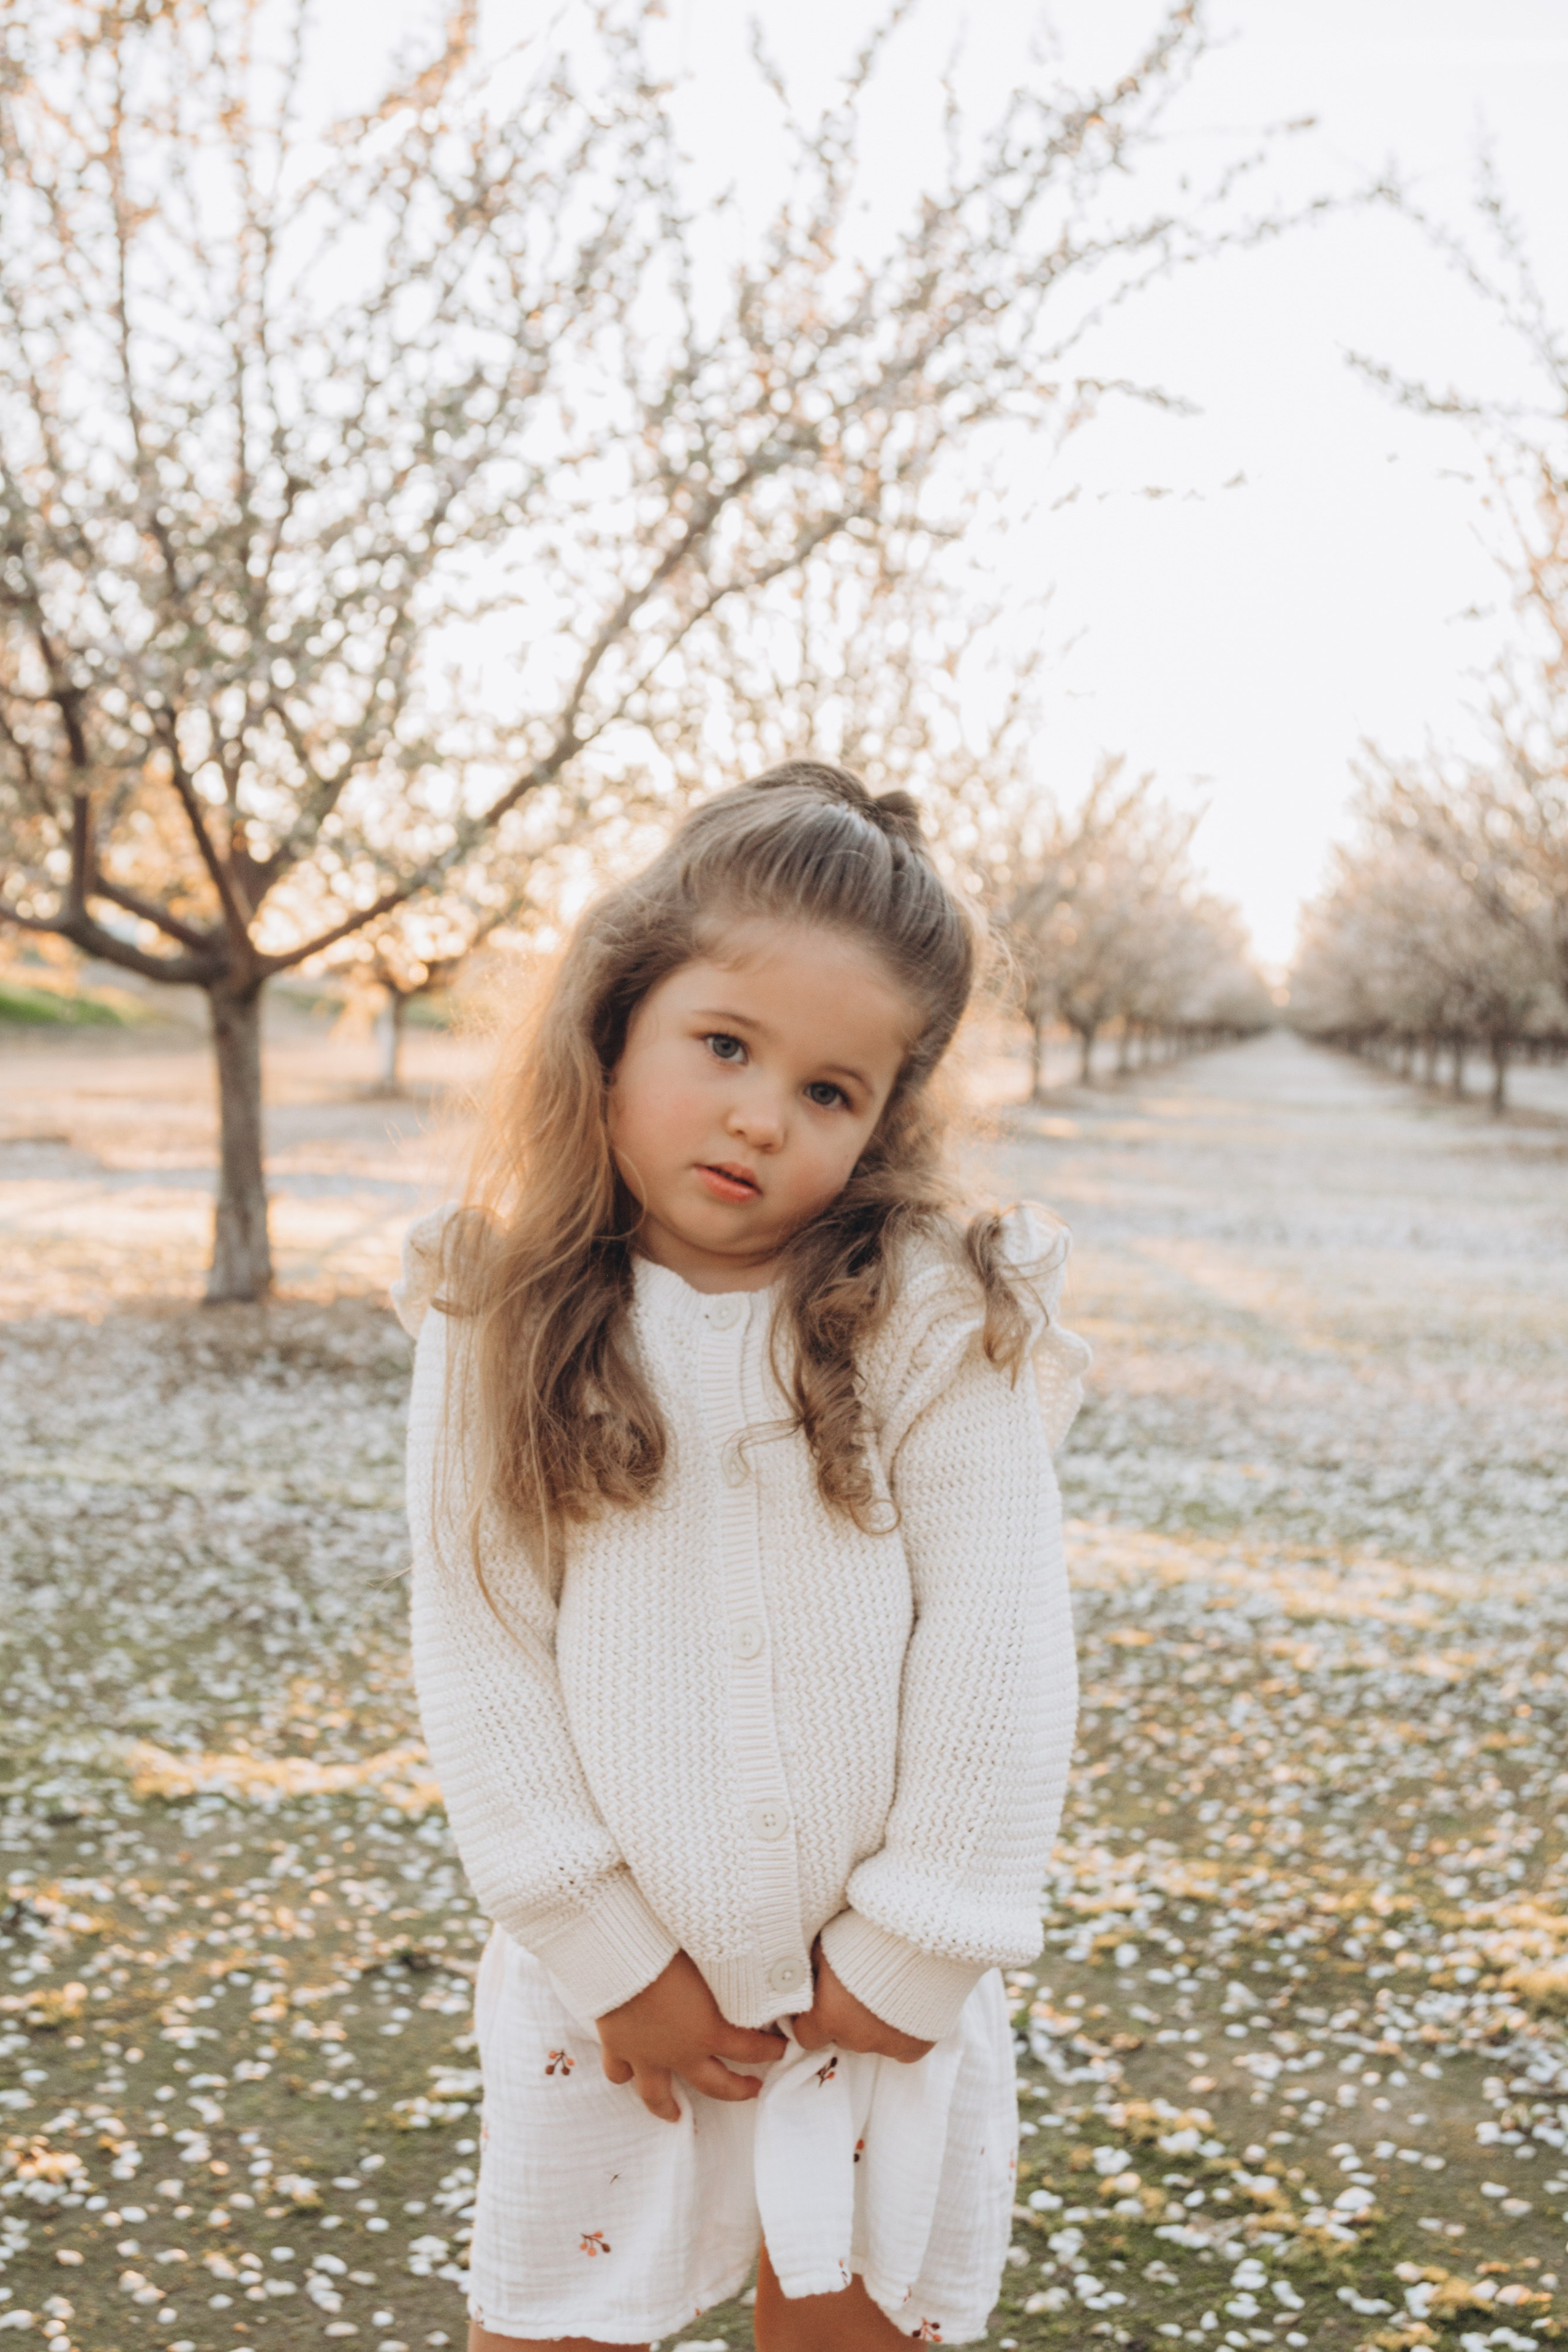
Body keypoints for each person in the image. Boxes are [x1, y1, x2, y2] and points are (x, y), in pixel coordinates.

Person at [393, 762, 1088, 2351]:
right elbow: (481, 1645)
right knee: (556, 2325)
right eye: (724, 1047)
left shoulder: (932, 1313)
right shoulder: (494, 1313)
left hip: (869, 2008)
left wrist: (918, 1943)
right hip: (609, 2003)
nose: (764, 1115)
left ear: (883, 1120)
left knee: (853, 2325)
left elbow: (999, 1632)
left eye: (832, 1093)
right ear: (615, 1021)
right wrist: (603, 1948)